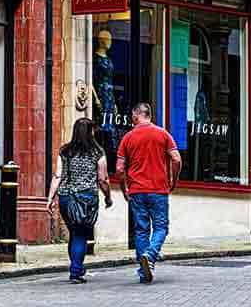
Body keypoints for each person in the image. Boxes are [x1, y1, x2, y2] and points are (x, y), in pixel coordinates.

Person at [115, 102, 180, 284]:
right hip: (159, 189)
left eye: (132, 117)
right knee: (161, 227)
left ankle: (144, 272)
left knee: (141, 230)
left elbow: (120, 169)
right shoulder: (163, 134)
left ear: (136, 116)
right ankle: (150, 255)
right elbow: (176, 159)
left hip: (136, 190)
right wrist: (173, 180)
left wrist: (124, 188)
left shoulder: (127, 138)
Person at [45, 117, 112, 282]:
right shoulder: (97, 152)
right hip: (86, 197)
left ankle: (77, 266)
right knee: (81, 234)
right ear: (90, 132)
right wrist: (108, 197)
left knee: (74, 233)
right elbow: (103, 179)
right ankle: (75, 271)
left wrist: (50, 198)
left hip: (66, 197)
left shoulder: (65, 151)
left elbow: (58, 175)